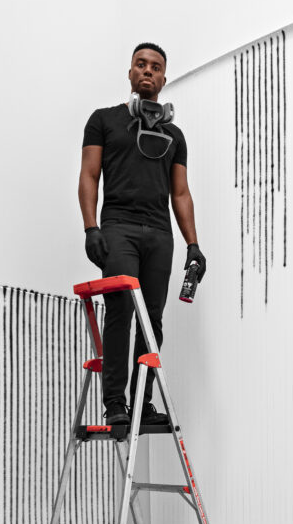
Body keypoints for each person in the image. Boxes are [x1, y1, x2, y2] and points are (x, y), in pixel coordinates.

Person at [78, 42, 206, 427]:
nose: (147, 71)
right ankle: (115, 402)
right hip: (119, 229)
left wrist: (194, 245)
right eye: (140, 65)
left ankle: (142, 403)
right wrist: (91, 227)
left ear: (164, 79)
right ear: (130, 74)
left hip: (160, 236)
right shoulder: (103, 120)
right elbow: (89, 175)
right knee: (119, 312)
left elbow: (180, 193)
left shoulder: (175, 135)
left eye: (155, 67)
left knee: (152, 320)